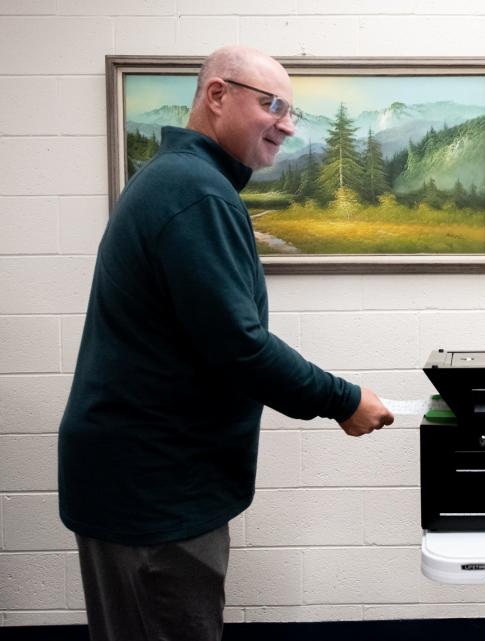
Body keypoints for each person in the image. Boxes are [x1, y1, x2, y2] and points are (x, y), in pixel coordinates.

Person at [58, 45, 394, 641]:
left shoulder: (180, 181)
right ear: (217, 96)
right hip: (153, 492)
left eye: (292, 111)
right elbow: (240, 345)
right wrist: (344, 400)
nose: (287, 124)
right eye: (272, 105)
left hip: (142, 478)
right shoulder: (196, 193)